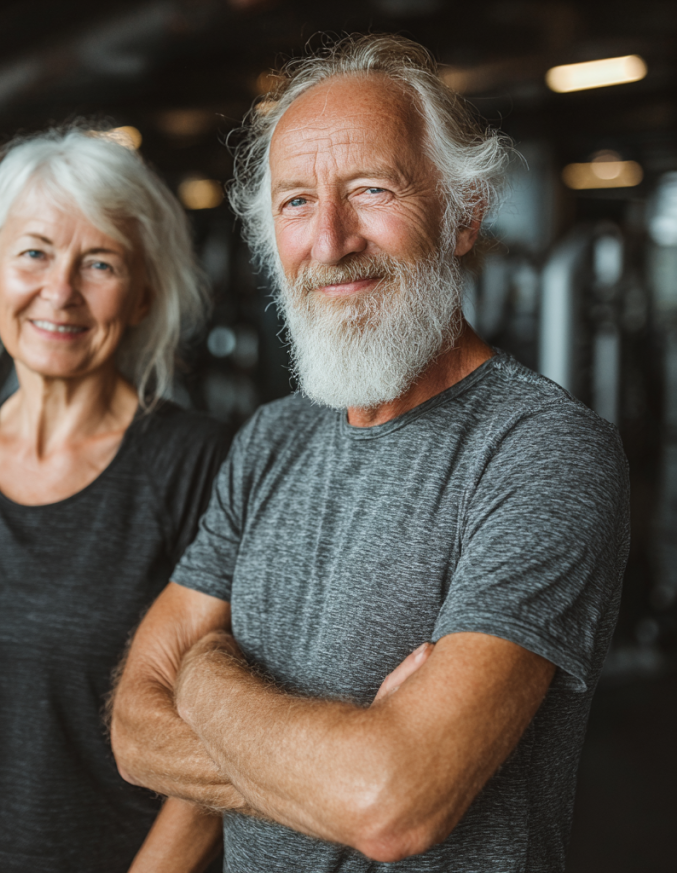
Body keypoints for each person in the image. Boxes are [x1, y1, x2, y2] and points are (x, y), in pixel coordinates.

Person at [110, 34, 629, 872]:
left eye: (370, 190)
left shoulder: (541, 451)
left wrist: (201, 673)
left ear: (461, 214)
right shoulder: (270, 438)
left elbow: (393, 804)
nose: (329, 241)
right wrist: (338, 773)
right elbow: (136, 733)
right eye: (295, 203)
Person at [0, 128, 231, 873]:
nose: (61, 291)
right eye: (34, 253)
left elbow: (222, 740)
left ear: (142, 293)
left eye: (99, 263)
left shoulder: (200, 465)